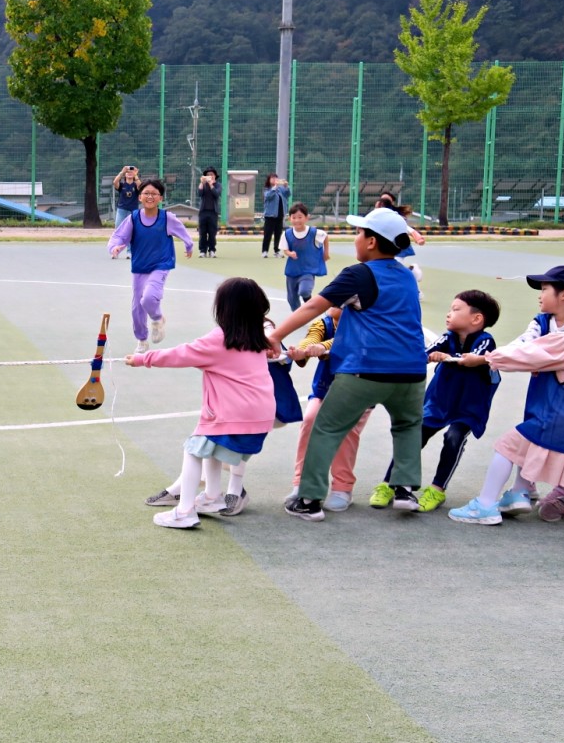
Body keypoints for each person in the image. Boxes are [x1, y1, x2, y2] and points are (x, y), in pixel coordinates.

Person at [271, 208, 427, 522]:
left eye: (359, 233)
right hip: (412, 371)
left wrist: (275, 335)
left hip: (366, 369)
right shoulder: (407, 275)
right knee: (408, 426)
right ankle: (405, 490)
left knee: (327, 427)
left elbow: (316, 305)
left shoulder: (360, 273)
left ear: (371, 241)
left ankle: (310, 500)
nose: (355, 238)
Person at [126, 278, 276, 529]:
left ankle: (184, 511)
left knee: (194, 449)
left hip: (234, 415)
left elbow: (181, 354)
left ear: (224, 308)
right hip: (260, 417)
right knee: (209, 447)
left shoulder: (221, 338)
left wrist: (142, 359)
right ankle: (211, 497)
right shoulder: (257, 337)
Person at [449, 290, 564, 526]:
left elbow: (526, 353)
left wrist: (486, 359)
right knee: (524, 448)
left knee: (507, 447)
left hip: (556, 416)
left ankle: (486, 505)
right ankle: (520, 491)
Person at [370, 290, 501, 513]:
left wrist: (447, 358)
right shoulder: (447, 337)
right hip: (440, 401)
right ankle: (390, 483)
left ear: (476, 319)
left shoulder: (485, 340)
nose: (449, 314)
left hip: (469, 407)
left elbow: (470, 360)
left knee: (454, 438)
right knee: (415, 435)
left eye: (456, 309)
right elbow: (426, 352)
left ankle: (437, 489)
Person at [283, 307, 373, 512]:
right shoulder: (323, 322)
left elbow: (343, 341)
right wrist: (301, 351)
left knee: (347, 432)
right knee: (310, 420)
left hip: (359, 390)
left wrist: (320, 347)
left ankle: (343, 488)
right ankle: (301, 483)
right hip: (325, 390)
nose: (334, 301)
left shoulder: (366, 323)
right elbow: (310, 339)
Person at [106, 179, 194, 352]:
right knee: (137, 307)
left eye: (154, 194)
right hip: (139, 267)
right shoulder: (134, 218)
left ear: (160, 198)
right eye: (146, 193)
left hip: (161, 265)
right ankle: (142, 339)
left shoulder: (166, 218)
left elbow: (182, 232)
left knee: (148, 297)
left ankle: (157, 318)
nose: (150, 197)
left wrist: (188, 245)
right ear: (140, 197)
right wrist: (115, 247)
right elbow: (120, 236)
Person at [283, 202, 330, 311]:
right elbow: (285, 249)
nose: (297, 220)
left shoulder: (314, 232)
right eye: (294, 217)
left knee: (304, 290)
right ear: (290, 218)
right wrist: (290, 253)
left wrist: (326, 253)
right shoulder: (287, 234)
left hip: (308, 269)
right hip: (293, 270)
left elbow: (325, 237)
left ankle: (309, 304)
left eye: (300, 217)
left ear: (306, 217)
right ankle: (298, 313)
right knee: (291, 299)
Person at [260, 173, 289, 258]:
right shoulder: (267, 189)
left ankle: (277, 251)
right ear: (269, 180)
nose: (274, 179)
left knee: (278, 234)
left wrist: (286, 187)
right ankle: (264, 251)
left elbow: (287, 194)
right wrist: (274, 187)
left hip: (280, 215)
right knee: (267, 234)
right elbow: (268, 196)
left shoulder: (280, 189)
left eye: (276, 178)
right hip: (270, 215)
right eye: (272, 178)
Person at [112, 165, 140, 248]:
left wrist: (136, 174)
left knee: (131, 230)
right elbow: (115, 182)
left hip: (133, 210)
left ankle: (129, 251)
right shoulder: (122, 185)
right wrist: (122, 172)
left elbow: (141, 187)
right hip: (122, 209)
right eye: (127, 172)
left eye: (131, 172)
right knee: (118, 229)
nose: (129, 173)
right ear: (125, 175)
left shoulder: (135, 185)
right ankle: (115, 249)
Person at [196, 168, 220, 258]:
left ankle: (212, 250)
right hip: (203, 212)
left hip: (213, 212)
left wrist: (211, 184)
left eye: (212, 174)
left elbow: (216, 194)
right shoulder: (203, 185)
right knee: (202, 232)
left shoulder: (218, 185)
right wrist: (202, 183)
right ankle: (202, 251)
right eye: (208, 174)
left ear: (215, 176)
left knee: (212, 232)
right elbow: (199, 193)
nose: (210, 176)